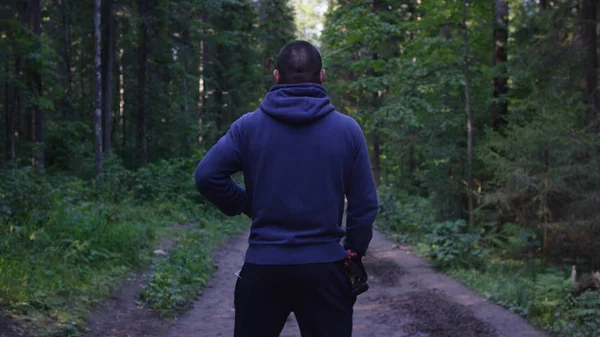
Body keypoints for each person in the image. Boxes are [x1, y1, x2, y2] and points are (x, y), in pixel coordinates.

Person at [194, 40, 379, 337]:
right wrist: (354, 251)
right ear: (322, 76)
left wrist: (244, 204)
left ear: (276, 76)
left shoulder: (248, 127)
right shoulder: (348, 130)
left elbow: (207, 176)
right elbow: (365, 202)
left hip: (263, 268)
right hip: (326, 271)